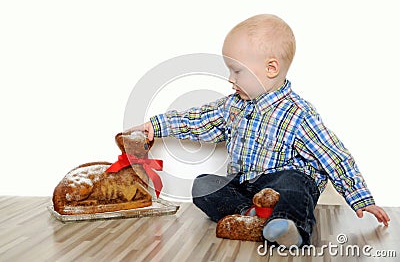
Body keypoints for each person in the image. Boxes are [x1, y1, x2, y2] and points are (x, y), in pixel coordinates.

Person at [128, 14, 390, 247]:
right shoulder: (233, 106)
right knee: (203, 185)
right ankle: (250, 217)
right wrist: (158, 125)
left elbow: (333, 155)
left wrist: (360, 197)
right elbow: (199, 120)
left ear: (271, 68)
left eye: (237, 71)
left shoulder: (298, 114)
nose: (231, 79)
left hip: (281, 187)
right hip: (247, 188)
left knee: (295, 184)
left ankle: (290, 226)